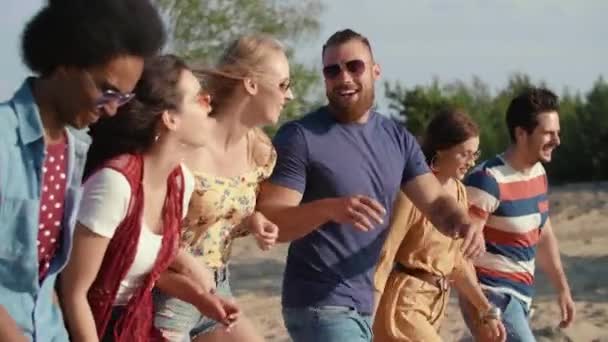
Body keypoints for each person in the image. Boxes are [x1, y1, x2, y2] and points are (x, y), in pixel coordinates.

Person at [256, 28, 485, 342]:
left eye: (355, 66)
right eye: (332, 70)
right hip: (320, 303)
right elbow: (273, 221)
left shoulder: (397, 138)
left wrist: (463, 223)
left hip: (365, 306)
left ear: (376, 71)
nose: (344, 77)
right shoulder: (300, 136)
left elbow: (435, 202)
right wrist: (330, 208)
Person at [0, 0, 165, 340]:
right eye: (107, 92)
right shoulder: (3, 138)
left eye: (123, 98)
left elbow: (44, 277)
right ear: (65, 63)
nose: (112, 110)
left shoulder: (74, 150)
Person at [59, 55, 238, 342]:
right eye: (200, 99)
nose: (210, 103)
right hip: (89, 327)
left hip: (134, 325)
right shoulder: (115, 185)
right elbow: (73, 292)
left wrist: (201, 299)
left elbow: (143, 272)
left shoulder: (180, 182)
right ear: (170, 118)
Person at [153, 34, 292, 342]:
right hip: (170, 292)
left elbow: (215, 219)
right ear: (251, 84)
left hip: (219, 286)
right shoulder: (184, 140)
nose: (290, 95)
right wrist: (186, 266)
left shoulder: (261, 152)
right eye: (283, 84)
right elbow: (145, 224)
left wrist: (252, 221)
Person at [373, 109, 506, 342]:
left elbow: (457, 262)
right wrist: (365, 319)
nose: (472, 162)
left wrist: (486, 310)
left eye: (475, 154)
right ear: (441, 150)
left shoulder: (459, 193)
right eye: (465, 154)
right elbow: (386, 254)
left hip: (436, 305)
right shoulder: (412, 193)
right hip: (404, 307)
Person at [461, 88, 576, 341]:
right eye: (548, 133)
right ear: (521, 133)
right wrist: (483, 309)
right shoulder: (487, 180)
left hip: (521, 296)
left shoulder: (538, 174)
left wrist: (562, 289)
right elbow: (460, 252)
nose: (557, 140)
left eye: (557, 132)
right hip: (493, 296)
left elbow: (542, 233)